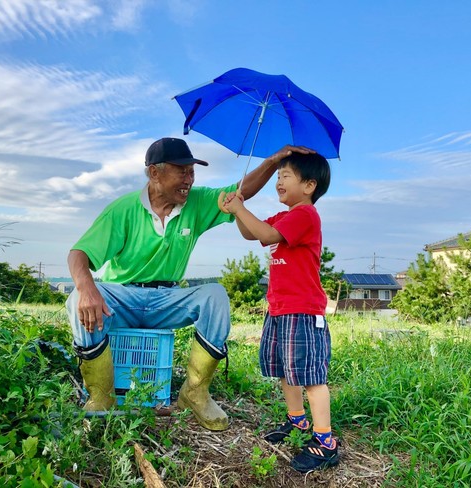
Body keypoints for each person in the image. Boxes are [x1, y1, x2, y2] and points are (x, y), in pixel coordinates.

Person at [66, 137, 312, 431]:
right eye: (182, 171)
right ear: (154, 173)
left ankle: (194, 392)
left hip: (168, 299)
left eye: (192, 172)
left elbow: (239, 193)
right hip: (124, 299)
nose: (189, 179)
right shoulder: (123, 209)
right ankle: (101, 395)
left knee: (214, 295)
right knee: (76, 299)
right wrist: (86, 288)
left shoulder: (196, 202)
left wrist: (272, 162)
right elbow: (78, 254)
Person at [221, 152, 339, 472]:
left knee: (311, 376)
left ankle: (326, 441)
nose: (278, 181)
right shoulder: (283, 216)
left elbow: (267, 235)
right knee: (287, 371)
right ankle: (298, 421)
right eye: (278, 176)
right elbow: (252, 232)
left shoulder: (305, 215)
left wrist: (240, 207)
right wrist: (237, 208)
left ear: (309, 185)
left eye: (286, 175)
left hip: (303, 310)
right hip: (281, 309)